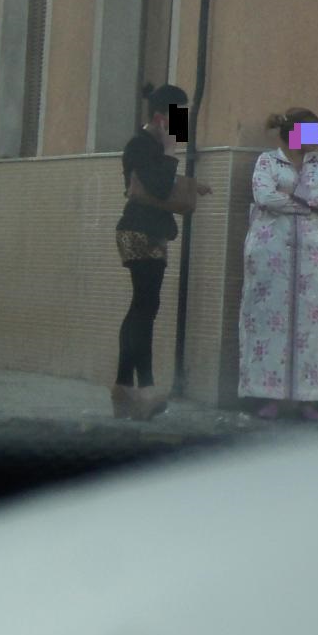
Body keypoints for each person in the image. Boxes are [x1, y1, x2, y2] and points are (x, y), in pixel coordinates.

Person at [238, 108, 318, 421]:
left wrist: (298, 195)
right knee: (267, 322)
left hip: (314, 262)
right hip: (271, 258)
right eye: (310, 132)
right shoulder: (268, 162)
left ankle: (308, 397)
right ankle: (266, 395)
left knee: (312, 327)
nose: (316, 139)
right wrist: (310, 204)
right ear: (292, 133)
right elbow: (264, 197)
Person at [110, 84, 210, 420]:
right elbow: (157, 186)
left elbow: (159, 182)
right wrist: (169, 151)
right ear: (159, 117)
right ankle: (142, 388)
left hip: (149, 231)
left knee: (143, 308)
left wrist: (186, 179)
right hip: (140, 231)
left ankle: (127, 388)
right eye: (179, 116)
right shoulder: (142, 144)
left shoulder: (148, 145)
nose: (183, 124)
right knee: (144, 309)